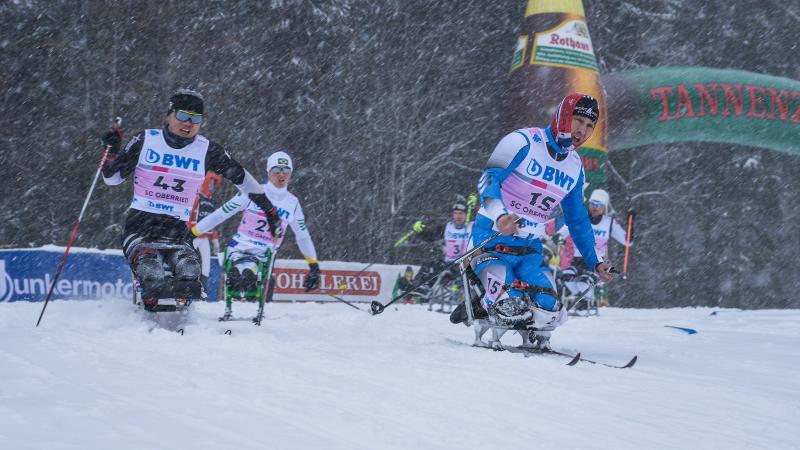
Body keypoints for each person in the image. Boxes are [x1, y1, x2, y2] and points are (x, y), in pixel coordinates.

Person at [452, 92, 615, 350]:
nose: (582, 131)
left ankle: (513, 316)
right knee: (513, 306)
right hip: (492, 243)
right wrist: (501, 215)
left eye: (589, 126)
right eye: (578, 121)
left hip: (529, 251)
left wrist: (596, 262)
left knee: (550, 309)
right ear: (563, 116)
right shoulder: (521, 141)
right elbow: (488, 181)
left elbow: (578, 220)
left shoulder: (575, 166)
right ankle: (484, 303)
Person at [101, 89, 282, 310]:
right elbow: (112, 179)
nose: (188, 123)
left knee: (189, 272)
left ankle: (181, 313)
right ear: (169, 114)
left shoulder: (206, 149)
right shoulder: (146, 139)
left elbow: (244, 180)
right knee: (151, 270)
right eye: (182, 116)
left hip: (177, 230)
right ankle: (149, 300)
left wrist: (270, 212)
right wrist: (111, 151)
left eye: (195, 119)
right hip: (140, 226)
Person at [193, 151, 321, 319]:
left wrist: (314, 266)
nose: (281, 174)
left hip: (265, 253)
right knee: (239, 275)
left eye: (285, 170)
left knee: (253, 278)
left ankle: (248, 283)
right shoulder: (253, 192)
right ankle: (238, 280)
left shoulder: (292, 203)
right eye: (276, 170)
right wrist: (192, 233)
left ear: (291, 173)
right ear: (268, 172)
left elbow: (303, 236)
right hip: (240, 246)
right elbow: (220, 214)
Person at [556, 188, 632, 308]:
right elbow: (562, 232)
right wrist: (558, 237)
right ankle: (582, 301)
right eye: (593, 203)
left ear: (604, 207)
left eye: (599, 204)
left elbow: (627, 242)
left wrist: (630, 227)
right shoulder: (581, 218)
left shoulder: (609, 223)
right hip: (577, 261)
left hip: (597, 264)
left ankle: (586, 302)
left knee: (584, 281)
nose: (595, 207)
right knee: (565, 277)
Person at [186, 172, 223, 290]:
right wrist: (186, 232)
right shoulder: (197, 197)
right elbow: (188, 216)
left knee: (206, 265)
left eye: (214, 185)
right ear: (205, 183)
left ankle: (203, 290)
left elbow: (212, 222)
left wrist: (215, 240)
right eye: (210, 184)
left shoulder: (211, 202)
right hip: (193, 235)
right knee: (186, 259)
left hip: (205, 238)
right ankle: (184, 286)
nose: (212, 187)